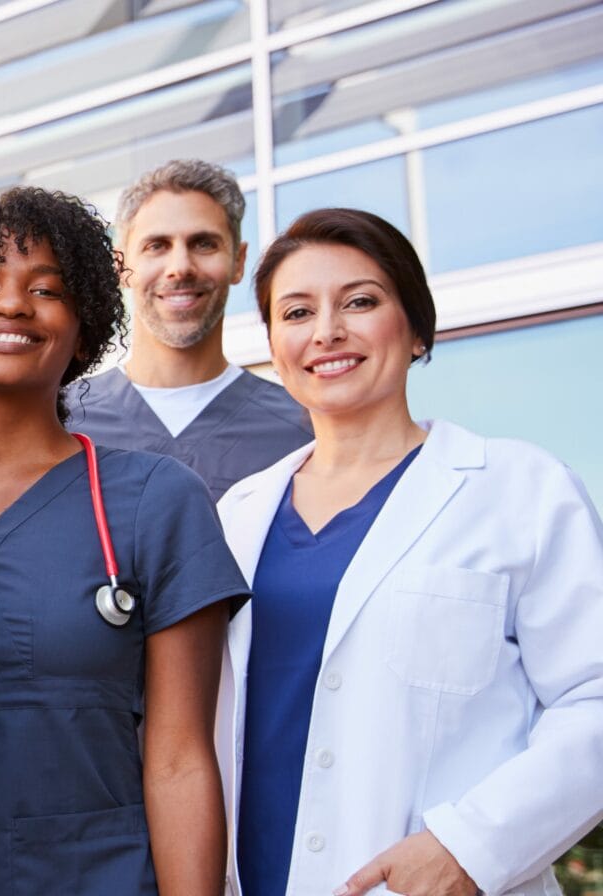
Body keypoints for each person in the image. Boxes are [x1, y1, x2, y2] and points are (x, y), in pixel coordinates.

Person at [216, 208, 603, 896]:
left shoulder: (520, 491)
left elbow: (594, 698)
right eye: (297, 312)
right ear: (274, 345)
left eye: (360, 302)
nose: (327, 331)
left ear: (417, 328)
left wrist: (472, 846)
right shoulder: (234, 517)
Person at [0, 186, 242, 895]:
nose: (11, 305)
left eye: (45, 290)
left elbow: (180, 760)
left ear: (83, 329)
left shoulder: (155, 500)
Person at [66, 159, 311, 500]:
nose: (180, 267)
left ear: (238, 262)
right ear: (121, 265)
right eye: (157, 246)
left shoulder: (303, 428)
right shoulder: (60, 421)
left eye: (204, 244)